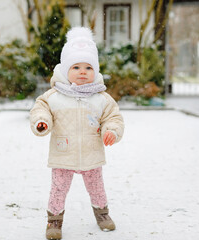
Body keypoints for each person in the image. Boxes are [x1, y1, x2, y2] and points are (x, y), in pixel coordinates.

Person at [30, 27, 124, 240]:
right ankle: (54, 220)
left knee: (97, 188)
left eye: (89, 67)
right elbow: (40, 108)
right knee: (58, 189)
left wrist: (111, 131)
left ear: (96, 70)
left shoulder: (101, 98)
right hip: (63, 153)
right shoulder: (54, 96)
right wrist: (42, 122)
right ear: (65, 70)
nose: (83, 71)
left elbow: (113, 117)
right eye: (76, 67)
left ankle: (102, 213)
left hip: (91, 153)